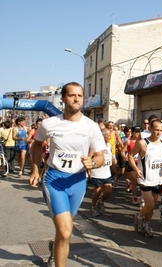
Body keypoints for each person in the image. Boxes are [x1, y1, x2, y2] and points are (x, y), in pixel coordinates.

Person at [28, 82, 105, 267]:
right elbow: (37, 144)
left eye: (79, 95)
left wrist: (92, 162)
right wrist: (35, 170)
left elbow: (101, 156)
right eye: (72, 95)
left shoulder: (91, 126)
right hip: (55, 180)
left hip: (78, 181)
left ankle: (56, 249)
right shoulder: (49, 124)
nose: (76, 98)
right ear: (63, 98)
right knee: (65, 232)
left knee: (65, 231)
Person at [128, 119, 162, 238]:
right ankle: (140, 217)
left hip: (157, 179)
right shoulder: (143, 143)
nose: (158, 132)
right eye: (156, 130)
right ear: (150, 129)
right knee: (150, 205)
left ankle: (145, 223)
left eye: (161, 130)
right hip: (145, 179)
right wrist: (136, 170)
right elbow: (130, 156)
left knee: (152, 209)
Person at [89, 128, 113, 217]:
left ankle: (101, 201)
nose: (110, 137)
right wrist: (88, 170)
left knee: (108, 191)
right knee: (97, 192)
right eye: (108, 135)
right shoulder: (95, 146)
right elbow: (89, 157)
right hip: (97, 173)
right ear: (103, 136)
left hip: (107, 173)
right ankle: (93, 207)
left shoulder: (109, 145)